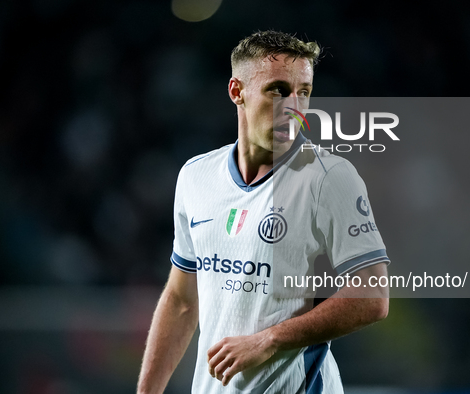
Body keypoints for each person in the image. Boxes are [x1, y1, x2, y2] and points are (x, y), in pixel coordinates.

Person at [137, 30, 390, 394]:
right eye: (278, 90)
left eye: (304, 92)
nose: (295, 107)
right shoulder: (196, 176)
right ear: (237, 91)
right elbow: (180, 300)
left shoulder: (329, 178)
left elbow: (373, 296)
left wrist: (269, 339)